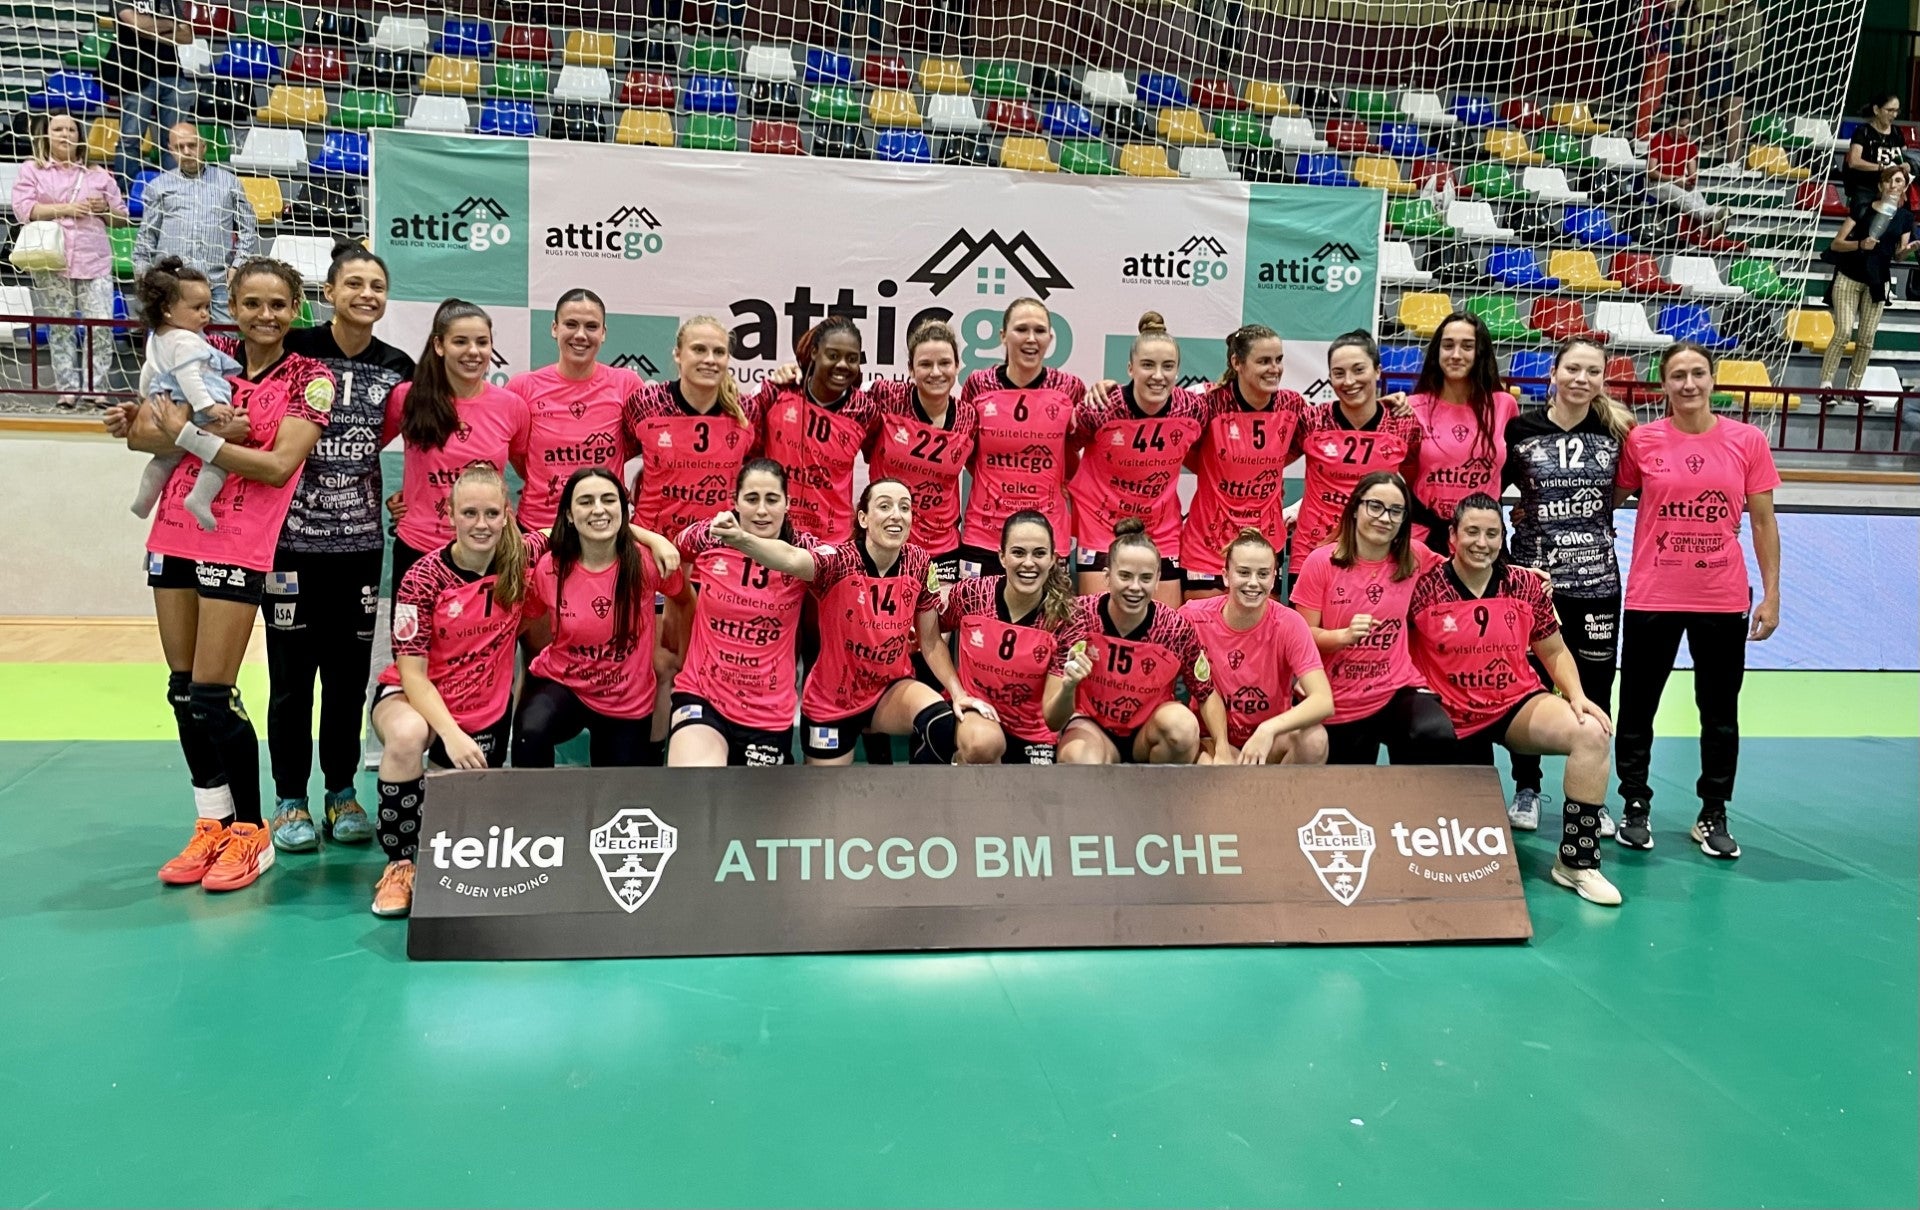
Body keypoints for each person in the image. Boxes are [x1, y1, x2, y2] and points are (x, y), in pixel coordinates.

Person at [115, 256, 332, 894]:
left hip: (237, 543)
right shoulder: (195, 351)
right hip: (173, 535)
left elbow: (275, 466)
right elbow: (139, 437)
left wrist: (187, 434)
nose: (266, 315)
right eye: (252, 303)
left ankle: (250, 832)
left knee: (213, 694)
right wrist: (162, 428)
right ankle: (212, 822)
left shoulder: (310, 376)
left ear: (296, 309)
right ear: (232, 306)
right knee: (180, 691)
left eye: (279, 304)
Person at [264, 243, 414, 852]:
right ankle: (290, 799)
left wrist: (412, 505)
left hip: (357, 547)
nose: (366, 295)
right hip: (289, 548)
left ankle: (342, 793)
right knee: (291, 680)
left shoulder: (399, 366)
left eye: (377, 286)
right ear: (329, 293)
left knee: (349, 680)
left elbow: (409, 441)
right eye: (354, 284)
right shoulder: (293, 351)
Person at [1408, 493, 1622, 906]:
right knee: (1466, 836)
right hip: (1451, 717)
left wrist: (1576, 696)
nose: (1481, 542)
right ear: (1452, 536)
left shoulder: (1524, 585)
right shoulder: (1424, 587)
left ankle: (1576, 862)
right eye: (1471, 531)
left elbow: (1554, 650)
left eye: (1492, 533)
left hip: (1515, 705)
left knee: (1592, 734)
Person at [1612, 341, 1781, 859]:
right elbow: (1608, 499)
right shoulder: (1641, 441)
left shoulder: (1747, 441)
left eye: (1698, 374)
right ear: (1663, 385)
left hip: (1722, 598)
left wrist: (1772, 595)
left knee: (1720, 713)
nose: (1689, 384)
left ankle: (1713, 812)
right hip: (1652, 594)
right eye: (1678, 376)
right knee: (1638, 707)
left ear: (1713, 380)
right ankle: (1635, 804)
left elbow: (1762, 520)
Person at [367, 466, 544, 918]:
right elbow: (413, 675)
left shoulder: (521, 559)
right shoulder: (422, 579)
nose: (481, 523)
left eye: (491, 512)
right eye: (469, 512)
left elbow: (577, 527)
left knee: (453, 830)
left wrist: (656, 540)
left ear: (507, 515)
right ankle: (399, 867)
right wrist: (450, 734)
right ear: (450, 515)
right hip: (417, 701)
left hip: (481, 713)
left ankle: (430, 853)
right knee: (407, 737)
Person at [1501, 337, 1635, 832]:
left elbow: (1618, 493)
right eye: (1572, 369)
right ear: (1553, 373)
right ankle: (1527, 788)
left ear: (1602, 379)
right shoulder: (1520, 430)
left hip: (1598, 582)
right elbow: (1496, 491)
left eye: (1593, 372)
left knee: (1597, 689)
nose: (1582, 379)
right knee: (1530, 685)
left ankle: (1589, 799)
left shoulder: (1617, 430)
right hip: (1534, 582)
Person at [800, 479, 991, 765]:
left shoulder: (921, 563)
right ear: (863, 518)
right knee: (827, 795)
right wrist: (742, 538)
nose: (896, 515)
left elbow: (930, 641)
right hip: (833, 701)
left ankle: (919, 801)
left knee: (942, 722)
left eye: (905, 508)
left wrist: (958, 692)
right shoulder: (839, 561)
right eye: (885, 506)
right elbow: (790, 558)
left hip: (888, 690)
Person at [513, 468, 682, 768]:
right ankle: (534, 810)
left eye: (608, 499)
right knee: (530, 732)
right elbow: (522, 619)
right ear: (568, 514)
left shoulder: (647, 563)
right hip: (564, 685)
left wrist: (677, 642)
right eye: (586, 501)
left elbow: (683, 597)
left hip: (626, 701)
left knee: (617, 796)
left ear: (623, 508)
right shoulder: (548, 568)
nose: (599, 509)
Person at [662, 459, 821, 767]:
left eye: (772, 499)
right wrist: (676, 608)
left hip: (767, 711)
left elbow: (830, 571)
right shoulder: (710, 536)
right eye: (751, 499)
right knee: (697, 785)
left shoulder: (804, 549)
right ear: (734, 502)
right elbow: (674, 550)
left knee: (754, 813)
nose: (761, 511)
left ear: (788, 503)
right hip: (704, 695)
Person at [1292, 472, 1455, 765]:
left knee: (1434, 732)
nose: (1385, 518)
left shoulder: (1414, 556)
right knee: (1348, 793)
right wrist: (1342, 637)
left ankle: (1410, 806)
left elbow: (1466, 571)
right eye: (1375, 506)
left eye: (1395, 511)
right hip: (1337, 700)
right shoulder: (1321, 563)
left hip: (1394, 692)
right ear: (1356, 508)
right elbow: (1302, 639)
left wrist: (1523, 577)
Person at [384, 299, 530, 597]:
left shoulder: (512, 407)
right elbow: (362, 451)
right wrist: (401, 496)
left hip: (488, 550)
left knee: (486, 644)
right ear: (439, 345)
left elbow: (528, 470)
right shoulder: (406, 398)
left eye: (482, 342)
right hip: (419, 549)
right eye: (460, 342)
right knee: (413, 644)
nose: (473, 352)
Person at [1067, 312, 1207, 605]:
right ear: (1130, 368)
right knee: (1098, 628)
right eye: (1147, 365)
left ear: (1178, 370)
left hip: (1161, 531)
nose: (1158, 375)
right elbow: (1065, 446)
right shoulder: (1101, 407)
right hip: (1101, 529)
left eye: (1167, 366)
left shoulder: (1192, 408)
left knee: (1164, 631)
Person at [1055, 520, 1211, 765]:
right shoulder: (1078, 618)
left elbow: (1206, 691)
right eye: (1125, 576)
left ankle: (1155, 799)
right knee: (1077, 758)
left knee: (1182, 728)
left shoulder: (1175, 628)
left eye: (1146, 577)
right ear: (1107, 577)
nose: (1135, 587)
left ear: (1158, 579)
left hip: (1147, 735)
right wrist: (1068, 685)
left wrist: (1222, 747)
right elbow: (1051, 711)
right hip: (1093, 727)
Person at [941, 510, 1088, 765]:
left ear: (1053, 559)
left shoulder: (1065, 619)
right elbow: (931, 638)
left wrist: (1069, 686)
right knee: (982, 745)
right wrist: (955, 690)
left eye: (1039, 553)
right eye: (1018, 552)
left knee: (1034, 803)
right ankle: (958, 762)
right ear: (1002, 557)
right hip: (977, 718)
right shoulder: (972, 595)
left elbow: (1054, 720)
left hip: (1033, 732)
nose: (1029, 563)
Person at [958, 298, 1088, 577]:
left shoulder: (1070, 388)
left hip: (1047, 538)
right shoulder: (978, 385)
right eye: (1021, 329)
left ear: (1050, 338)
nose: (1031, 338)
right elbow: (968, 453)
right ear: (1003, 336)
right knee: (976, 618)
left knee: (1048, 621)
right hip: (985, 535)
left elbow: (1079, 447)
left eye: (1040, 331)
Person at [1183, 530, 1333, 765]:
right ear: (1225, 576)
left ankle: (1284, 800)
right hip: (1214, 741)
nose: (1253, 582)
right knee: (1208, 762)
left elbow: (1324, 700)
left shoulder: (1290, 623)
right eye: (1243, 572)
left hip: (1269, 742)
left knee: (1315, 739)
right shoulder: (1192, 617)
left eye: (1263, 574)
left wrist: (1268, 730)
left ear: (1273, 579)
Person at [12, 113, 128, 407]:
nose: (65, 134)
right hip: (53, 261)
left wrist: (104, 209)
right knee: (61, 327)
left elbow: (121, 218)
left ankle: (95, 389)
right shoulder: (32, 170)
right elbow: (24, 210)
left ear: (80, 135)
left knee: (100, 326)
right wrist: (68, 208)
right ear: (47, 135)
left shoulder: (99, 174)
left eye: (71, 129)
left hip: (95, 260)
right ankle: (67, 390)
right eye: (58, 129)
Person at [1183, 323, 1306, 600]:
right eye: (1263, 361)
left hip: (1265, 544)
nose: (1274, 368)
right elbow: (1154, 416)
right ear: (1237, 362)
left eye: (1278, 359)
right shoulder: (1208, 402)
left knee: (1259, 640)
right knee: (1203, 640)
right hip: (1208, 546)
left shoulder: (1292, 405)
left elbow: (1330, 434)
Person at [1289, 331, 1424, 577]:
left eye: (1359, 370)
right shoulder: (1311, 420)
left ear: (1378, 371)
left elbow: (1414, 480)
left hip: (1377, 555)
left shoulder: (1404, 424)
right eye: (1339, 373)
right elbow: (1269, 460)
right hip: (1313, 554)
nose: (1349, 381)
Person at [509, 289, 642, 530]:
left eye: (591, 326)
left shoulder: (627, 384)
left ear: (603, 333)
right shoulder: (522, 388)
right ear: (554, 328)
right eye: (571, 324)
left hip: (605, 527)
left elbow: (634, 447)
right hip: (539, 528)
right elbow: (519, 458)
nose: (580, 335)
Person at [623, 314, 759, 539]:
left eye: (719, 352)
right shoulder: (647, 402)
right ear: (677, 354)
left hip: (717, 548)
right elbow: (616, 454)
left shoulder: (746, 411)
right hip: (651, 544)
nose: (710, 359)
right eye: (698, 350)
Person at [863, 320, 977, 587]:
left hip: (941, 549)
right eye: (925, 364)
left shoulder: (968, 417)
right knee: (885, 626)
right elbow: (834, 394)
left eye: (945, 363)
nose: (936, 372)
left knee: (935, 625)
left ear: (957, 366)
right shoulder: (886, 397)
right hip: (887, 540)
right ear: (911, 370)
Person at [128, 257, 237, 530]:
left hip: (164, 398)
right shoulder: (187, 340)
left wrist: (146, 397)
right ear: (167, 309)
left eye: (208, 307)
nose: (206, 315)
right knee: (219, 453)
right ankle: (200, 498)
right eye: (197, 308)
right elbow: (190, 378)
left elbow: (149, 371)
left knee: (165, 457)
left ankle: (144, 499)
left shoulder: (158, 337)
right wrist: (209, 407)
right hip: (195, 400)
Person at [753, 315, 880, 544]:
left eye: (852, 358)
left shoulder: (864, 411)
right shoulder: (778, 392)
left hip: (832, 542)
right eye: (833, 355)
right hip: (774, 535)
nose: (842, 364)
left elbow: (879, 457)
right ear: (814, 352)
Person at [1407, 311, 1521, 553]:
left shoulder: (1503, 405)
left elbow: (1513, 467)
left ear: (1479, 352)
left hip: (1482, 542)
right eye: (1448, 345)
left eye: (1467, 346)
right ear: (1437, 351)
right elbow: (1398, 475)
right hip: (1421, 541)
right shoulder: (1412, 407)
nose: (1456, 354)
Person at [130, 122, 256, 324]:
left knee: (225, 345)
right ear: (171, 151)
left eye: (192, 145)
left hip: (218, 285)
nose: (187, 151)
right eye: (179, 147)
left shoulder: (229, 182)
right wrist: (145, 274)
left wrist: (237, 266)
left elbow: (248, 228)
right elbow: (147, 237)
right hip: (172, 286)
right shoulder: (159, 186)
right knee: (173, 348)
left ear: (203, 146)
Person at [1821, 165, 1914, 392]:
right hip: (1849, 276)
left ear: (1904, 187)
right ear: (1881, 185)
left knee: (1866, 339)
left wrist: (1909, 250)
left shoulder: (1905, 217)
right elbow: (1836, 243)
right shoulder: (1862, 208)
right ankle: (1826, 385)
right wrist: (1861, 244)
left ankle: (1853, 389)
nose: (1893, 185)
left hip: (1877, 281)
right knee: (1843, 332)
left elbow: (1899, 255)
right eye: (1889, 181)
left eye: (1899, 181)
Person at [105, 0, 193, 190]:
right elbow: (136, 24)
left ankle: (176, 194)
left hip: (173, 75)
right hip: (136, 77)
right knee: (130, 139)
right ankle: (123, 196)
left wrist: (150, 31)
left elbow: (187, 36)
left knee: (174, 141)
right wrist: (170, 25)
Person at [1647, 123, 1741, 248]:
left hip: (1679, 183)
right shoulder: (1658, 140)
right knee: (1683, 197)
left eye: (1688, 128)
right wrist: (1673, 179)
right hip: (1657, 184)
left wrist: (1689, 181)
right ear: (1672, 125)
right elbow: (1651, 172)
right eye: (1681, 126)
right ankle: (1711, 216)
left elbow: (1693, 175)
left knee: (1696, 194)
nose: (1684, 130)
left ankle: (1710, 220)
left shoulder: (1689, 146)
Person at [1844, 93, 1907, 212]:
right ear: (1876, 110)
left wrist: (1906, 167)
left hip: (1891, 189)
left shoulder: (1897, 133)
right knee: (1861, 215)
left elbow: (1904, 159)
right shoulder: (1863, 132)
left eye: (1896, 111)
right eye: (1889, 110)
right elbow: (1853, 161)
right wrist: (1882, 167)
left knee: (1905, 218)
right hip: (1866, 188)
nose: (1894, 115)